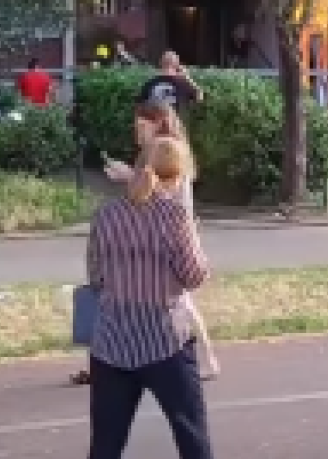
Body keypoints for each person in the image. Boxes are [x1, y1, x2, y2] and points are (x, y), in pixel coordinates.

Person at [72, 100, 221, 384]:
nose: (137, 130)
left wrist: (128, 176)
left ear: (157, 121)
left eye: (141, 124)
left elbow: (161, 191)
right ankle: (205, 359)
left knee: (176, 301)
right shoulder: (159, 149)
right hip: (166, 228)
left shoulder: (165, 150)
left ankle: (204, 359)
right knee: (176, 300)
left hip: (169, 231)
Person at [86, 136, 213, 459]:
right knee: (191, 437)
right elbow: (194, 276)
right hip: (165, 340)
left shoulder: (106, 215)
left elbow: (96, 276)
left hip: (112, 340)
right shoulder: (175, 216)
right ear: (178, 176)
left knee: (105, 445)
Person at [138, 51, 204, 111]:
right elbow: (200, 97)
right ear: (177, 65)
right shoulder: (183, 84)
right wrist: (187, 77)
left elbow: (139, 108)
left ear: (160, 64)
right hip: (175, 123)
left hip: (153, 123)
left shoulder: (149, 84)